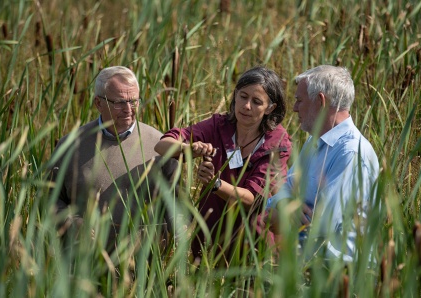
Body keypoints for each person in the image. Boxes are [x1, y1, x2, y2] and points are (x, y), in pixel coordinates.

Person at [154, 66, 292, 262]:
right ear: (235, 95)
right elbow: (162, 146)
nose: (246, 106)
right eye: (243, 96)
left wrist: (215, 184)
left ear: (270, 108)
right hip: (211, 243)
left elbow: (252, 199)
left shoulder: (277, 144)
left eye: (257, 102)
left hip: (253, 248)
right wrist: (188, 149)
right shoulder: (219, 125)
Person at [50, 66, 177, 251]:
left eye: (134, 101)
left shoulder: (159, 144)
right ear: (98, 103)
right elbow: (48, 200)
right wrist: (72, 224)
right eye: (119, 102)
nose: (128, 109)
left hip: (144, 267)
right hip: (84, 263)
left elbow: (177, 205)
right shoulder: (70, 146)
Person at [261, 65, 379, 262]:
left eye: (299, 101)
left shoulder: (351, 153)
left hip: (340, 278)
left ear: (321, 101)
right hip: (308, 269)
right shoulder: (314, 141)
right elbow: (283, 192)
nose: (294, 108)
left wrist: (282, 212)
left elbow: (321, 225)